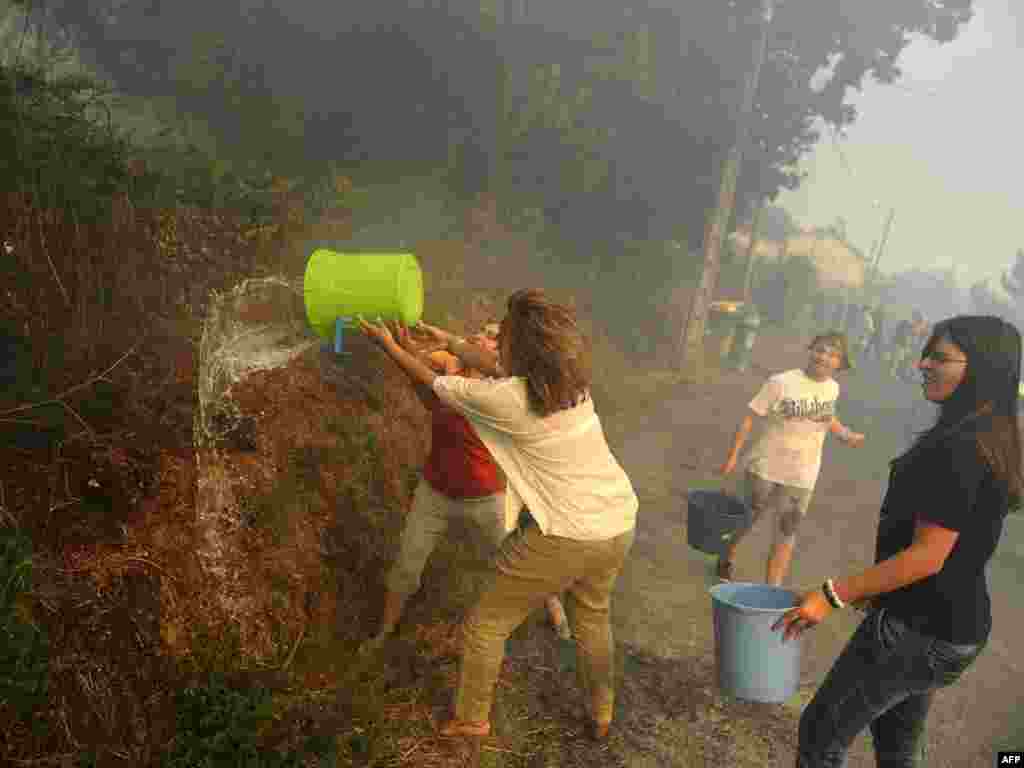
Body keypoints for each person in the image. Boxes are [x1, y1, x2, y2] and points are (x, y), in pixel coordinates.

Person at [358, 289, 637, 741]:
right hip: (618, 519)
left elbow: (434, 384)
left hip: (567, 532)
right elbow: (496, 367)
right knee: (592, 614)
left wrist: (390, 347)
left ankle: (471, 721)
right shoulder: (568, 384)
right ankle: (601, 712)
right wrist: (446, 336)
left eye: (503, 335)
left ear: (519, 347)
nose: (497, 342)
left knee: (486, 623)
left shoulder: (506, 400)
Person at [774, 315, 1022, 767]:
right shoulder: (989, 435)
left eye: (939, 357)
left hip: (919, 628)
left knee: (820, 735)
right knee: (896, 744)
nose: (923, 364)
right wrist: (880, 591)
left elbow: (929, 555)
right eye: (926, 353)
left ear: (981, 367)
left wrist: (833, 595)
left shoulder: (962, 447)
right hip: (947, 626)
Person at [365, 321, 570, 650]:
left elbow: (429, 378)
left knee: (517, 559)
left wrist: (394, 347)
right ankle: (384, 634)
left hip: (485, 498)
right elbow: (423, 382)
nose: (482, 337)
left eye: (493, 337)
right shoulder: (453, 368)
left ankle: (555, 607)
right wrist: (403, 346)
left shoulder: (498, 390)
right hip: (435, 492)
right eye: (484, 332)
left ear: (503, 353)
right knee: (406, 566)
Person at [716, 332, 866, 586]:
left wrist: (846, 434)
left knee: (787, 531)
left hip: (802, 474)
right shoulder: (781, 382)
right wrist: (733, 457)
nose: (823, 357)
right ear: (810, 351)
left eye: (832, 354)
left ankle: (772, 589)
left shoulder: (832, 388)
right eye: (820, 350)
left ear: (840, 363)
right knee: (747, 519)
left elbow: (827, 417)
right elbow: (750, 417)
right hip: (765, 467)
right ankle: (726, 555)